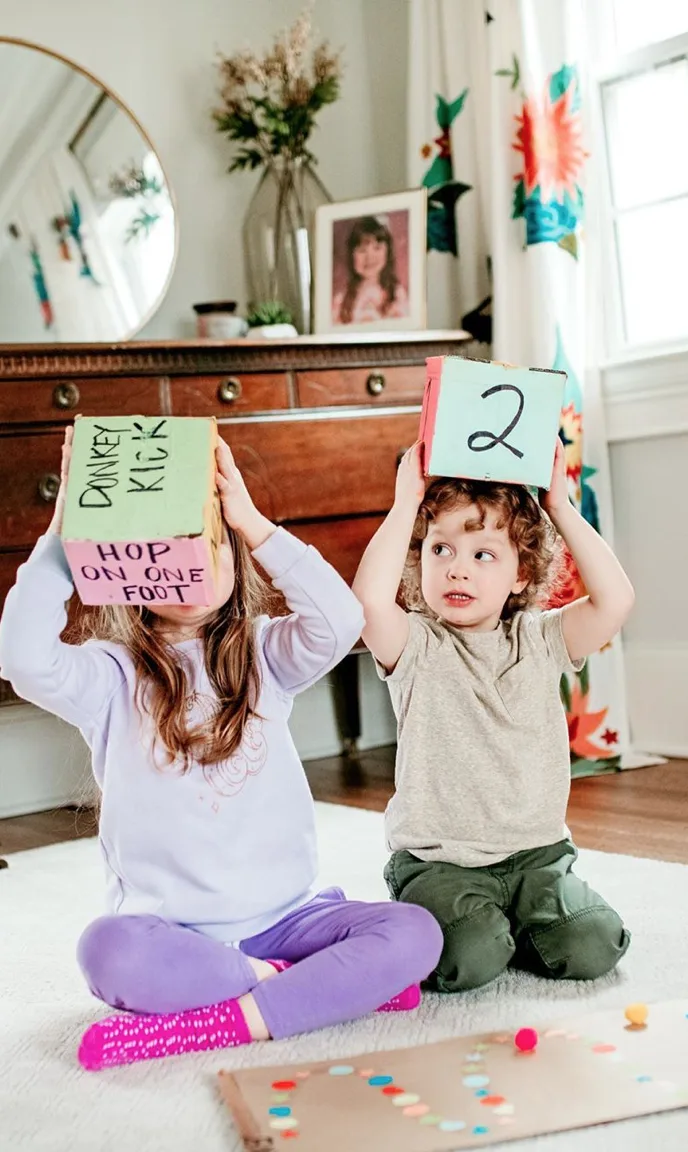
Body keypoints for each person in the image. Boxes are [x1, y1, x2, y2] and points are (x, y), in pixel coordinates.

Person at [0, 427, 442, 1071]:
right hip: (174, 935)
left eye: (209, 548)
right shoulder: (110, 676)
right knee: (105, 952)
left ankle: (230, 1017)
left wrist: (254, 523)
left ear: (236, 561)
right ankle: (306, 989)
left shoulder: (267, 654)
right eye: (169, 551)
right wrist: (65, 532)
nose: (190, 569)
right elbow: (21, 659)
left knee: (416, 932)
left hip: (288, 920)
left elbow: (343, 621)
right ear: (128, 568)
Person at [351, 438, 634, 994]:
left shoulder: (543, 638)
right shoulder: (417, 645)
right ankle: (480, 926)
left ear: (521, 574)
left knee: (595, 943)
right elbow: (367, 606)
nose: (458, 570)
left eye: (484, 555)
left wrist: (560, 506)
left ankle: (520, 924)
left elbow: (615, 602)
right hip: (440, 864)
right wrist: (406, 502)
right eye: (441, 551)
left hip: (538, 858)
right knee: (469, 958)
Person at [332, 215, 409, 325]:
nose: (369, 257)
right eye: (362, 250)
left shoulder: (397, 295)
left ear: (388, 252)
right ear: (351, 256)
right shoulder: (341, 301)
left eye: (377, 248)